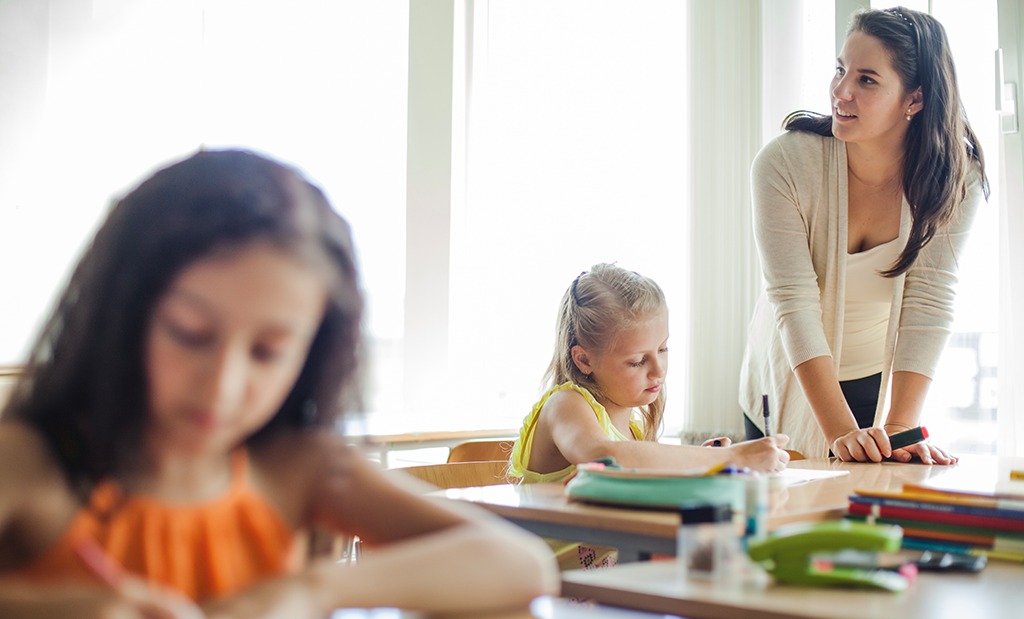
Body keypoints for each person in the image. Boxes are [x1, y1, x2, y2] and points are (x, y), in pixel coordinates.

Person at [0, 149, 558, 618]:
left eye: (269, 352)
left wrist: (314, 588)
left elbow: (520, 564)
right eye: (190, 334)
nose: (223, 385)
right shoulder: (29, 459)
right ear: (121, 313)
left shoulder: (298, 468)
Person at [739, 7, 989, 463]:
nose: (840, 91)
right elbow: (792, 299)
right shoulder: (783, 164)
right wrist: (838, 431)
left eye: (867, 80)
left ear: (914, 100)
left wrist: (899, 426)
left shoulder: (956, 179)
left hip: (870, 376)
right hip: (788, 376)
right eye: (840, 70)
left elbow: (930, 298)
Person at [510, 264, 788, 569]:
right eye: (638, 361)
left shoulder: (632, 430)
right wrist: (734, 457)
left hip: (622, 584)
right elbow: (605, 457)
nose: (658, 370)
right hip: (559, 597)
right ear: (584, 359)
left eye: (663, 348)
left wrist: (701, 463)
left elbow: (637, 476)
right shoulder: (565, 404)